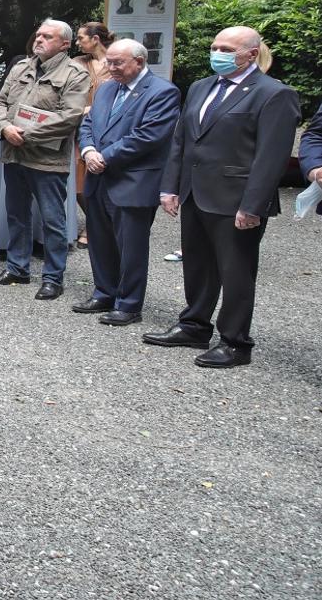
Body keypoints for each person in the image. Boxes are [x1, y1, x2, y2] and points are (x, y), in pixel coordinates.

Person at [147, 26, 300, 368]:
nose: (217, 52)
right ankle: (194, 325)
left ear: (250, 53)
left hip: (236, 198)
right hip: (195, 192)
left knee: (236, 273)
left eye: (227, 48)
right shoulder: (202, 87)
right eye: (215, 46)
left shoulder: (273, 93)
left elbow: (271, 156)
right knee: (199, 266)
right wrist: (170, 186)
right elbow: (182, 140)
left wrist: (253, 204)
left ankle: (235, 342)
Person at [73, 39, 182, 327]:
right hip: (99, 178)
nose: (110, 68)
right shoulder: (107, 88)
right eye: (108, 61)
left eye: (118, 63)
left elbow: (149, 136)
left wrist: (104, 156)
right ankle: (104, 292)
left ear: (140, 62)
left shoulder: (162, 92)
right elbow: (88, 123)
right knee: (100, 241)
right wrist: (88, 150)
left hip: (133, 181)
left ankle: (129, 303)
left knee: (131, 247)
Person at [0, 19, 93, 300]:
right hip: (14, 153)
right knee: (16, 215)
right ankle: (17, 268)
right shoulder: (22, 67)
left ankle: (53, 278)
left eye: (47, 36)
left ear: (65, 44)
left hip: (47, 159)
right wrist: (5, 128)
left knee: (52, 220)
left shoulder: (75, 74)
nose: (39, 39)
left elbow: (70, 116)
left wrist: (27, 134)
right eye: (39, 34)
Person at [74, 21, 115, 246]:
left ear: (95, 39)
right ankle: (94, 220)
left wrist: (97, 109)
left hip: (110, 126)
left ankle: (106, 222)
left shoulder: (116, 62)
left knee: (104, 174)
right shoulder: (77, 62)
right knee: (79, 181)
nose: (77, 42)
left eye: (81, 38)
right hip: (80, 125)